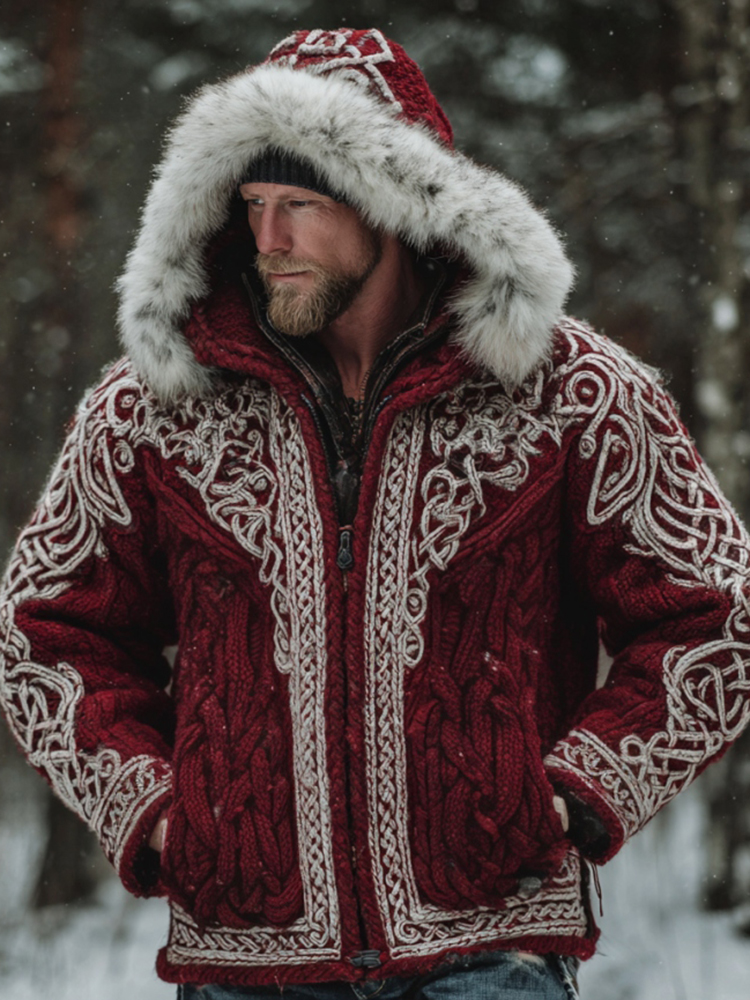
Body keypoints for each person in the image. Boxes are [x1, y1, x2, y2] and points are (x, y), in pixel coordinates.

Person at [1, 26, 749, 1000]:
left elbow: (718, 612)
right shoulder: (154, 407)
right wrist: (155, 810)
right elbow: (42, 631)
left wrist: (576, 793)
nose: (268, 240)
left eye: (301, 205)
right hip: (249, 959)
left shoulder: (569, 392)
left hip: (492, 950)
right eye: (252, 203)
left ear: (391, 203)